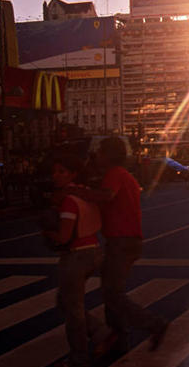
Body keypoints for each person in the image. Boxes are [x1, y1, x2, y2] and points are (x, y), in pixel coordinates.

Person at [64, 137, 168, 355]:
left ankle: (152, 324)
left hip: (122, 241)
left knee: (112, 294)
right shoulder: (123, 175)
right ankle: (118, 339)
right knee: (110, 291)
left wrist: (77, 192)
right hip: (123, 241)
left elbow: (106, 196)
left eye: (100, 152)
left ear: (109, 154)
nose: (98, 155)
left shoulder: (115, 174)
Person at [42, 154, 103, 367]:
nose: (55, 175)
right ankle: (100, 333)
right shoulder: (84, 194)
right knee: (65, 302)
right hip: (94, 250)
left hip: (76, 256)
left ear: (73, 173)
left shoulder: (69, 200)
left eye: (62, 171)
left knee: (73, 310)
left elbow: (64, 237)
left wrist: (48, 232)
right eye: (54, 171)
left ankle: (79, 359)